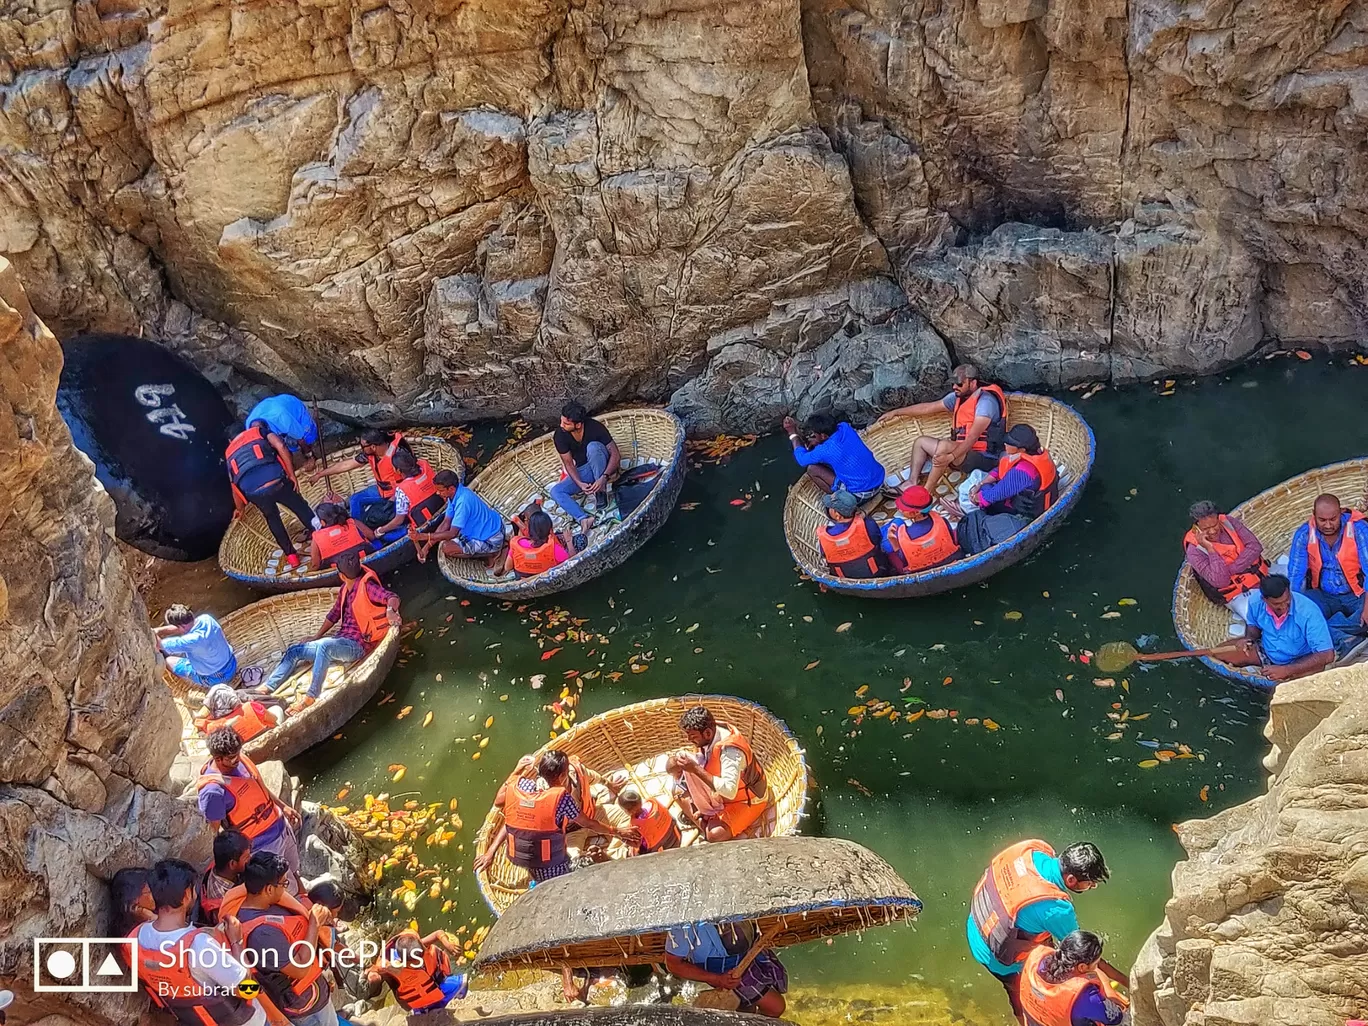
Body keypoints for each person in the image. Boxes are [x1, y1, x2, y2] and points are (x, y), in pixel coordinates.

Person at [966, 840, 1124, 1020]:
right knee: (1023, 996)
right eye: (1089, 883)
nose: (1092, 887)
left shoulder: (1033, 850)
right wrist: (1120, 983)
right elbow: (1083, 954)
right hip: (994, 956)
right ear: (1071, 880)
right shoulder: (1058, 909)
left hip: (977, 923)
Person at [258, 552, 401, 715]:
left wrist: (390, 610)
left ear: (341, 575)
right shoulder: (344, 590)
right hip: (340, 641)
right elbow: (333, 614)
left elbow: (392, 597)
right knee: (295, 650)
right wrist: (316, 636)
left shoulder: (367, 587)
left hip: (358, 645)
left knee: (325, 647)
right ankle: (267, 687)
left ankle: (311, 696)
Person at [129, 858, 267, 1026]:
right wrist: (236, 940)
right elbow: (246, 990)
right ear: (187, 895)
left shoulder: (135, 938)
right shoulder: (199, 945)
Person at [474, 750, 638, 881]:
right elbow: (514, 821)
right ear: (561, 775)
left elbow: (593, 777)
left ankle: (626, 851)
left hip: (593, 814)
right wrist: (490, 852)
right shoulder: (539, 794)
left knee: (626, 819)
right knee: (577, 860)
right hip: (572, 833)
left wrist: (610, 785)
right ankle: (612, 858)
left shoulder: (575, 771)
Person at [236, 851, 338, 1026]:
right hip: (305, 1007)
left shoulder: (265, 904)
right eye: (283, 883)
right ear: (268, 889)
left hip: (314, 988)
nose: (285, 888)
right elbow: (299, 969)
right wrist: (314, 923)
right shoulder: (263, 936)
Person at [876, 363, 1008, 496]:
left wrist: (950, 457)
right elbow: (928, 408)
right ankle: (911, 481)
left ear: (973, 383)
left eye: (959, 384)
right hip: (961, 454)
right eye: (953, 384)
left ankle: (925, 494)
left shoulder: (986, 402)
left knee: (944, 446)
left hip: (985, 458)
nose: (955, 387)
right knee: (921, 442)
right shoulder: (959, 397)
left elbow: (972, 437)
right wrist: (897, 412)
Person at [196, 727, 304, 885]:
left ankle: (302, 892)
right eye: (232, 757)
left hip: (281, 826)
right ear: (218, 759)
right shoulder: (213, 792)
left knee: (294, 870)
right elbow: (215, 834)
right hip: (262, 846)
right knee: (282, 886)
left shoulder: (241, 760)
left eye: (239, 752)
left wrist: (283, 806)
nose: (238, 759)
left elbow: (258, 788)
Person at [668, 705, 771, 842]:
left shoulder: (731, 753)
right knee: (676, 788)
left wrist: (694, 769)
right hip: (720, 795)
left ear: (708, 734)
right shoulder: (708, 734)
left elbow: (729, 791)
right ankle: (705, 816)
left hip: (747, 800)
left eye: (692, 736)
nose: (688, 739)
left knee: (714, 835)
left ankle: (703, 823)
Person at [226, 420, 317, 568]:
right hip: (276, 481)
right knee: (300, 506)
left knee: (272, 518)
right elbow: (281, 445)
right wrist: (291, 474)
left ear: (230, 440)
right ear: (245, 430)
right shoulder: (257, 432)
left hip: (254, 492)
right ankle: (320, 534)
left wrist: (240, 509)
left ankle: (291, 556)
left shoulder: (229, 453)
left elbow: (234, 485)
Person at [957, 424, 1058, 556]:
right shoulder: (1034, 454)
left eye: (1009, 443)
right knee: (983, 484)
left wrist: (975, 497)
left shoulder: (1025, 471)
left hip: (1025, 513)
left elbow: (994, 495)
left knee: (983, 494)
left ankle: (963, 511)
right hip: (1031, 497)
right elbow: (1000, 471)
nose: (1005, 444)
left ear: (1021, 449)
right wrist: (980, 483)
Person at [1287, 493, 1368, 652]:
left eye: (1333, 519)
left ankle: (1331, 630)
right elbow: (1295, 577)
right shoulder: (1304, 534)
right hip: (1323, 595)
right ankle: (1346, 638)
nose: (1329, 525)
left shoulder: (1358, 530)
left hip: (1358, 594)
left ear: (1341, 513)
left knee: (1314, 629)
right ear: (1314, 515)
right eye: (1322, 520)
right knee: (1299, 621)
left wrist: (1367, 609)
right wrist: (1294, 611)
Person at [664, 920, 788, 1018]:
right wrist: (717, 979)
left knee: (745, 1008)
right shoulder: (683, 924)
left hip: (749, 954)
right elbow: (673, 964)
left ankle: (744, 1014)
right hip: (726, 970)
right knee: (775, 1007)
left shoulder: (729, 896)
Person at [1235, 574, 1337, 683]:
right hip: (1266, 650)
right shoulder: (1255, 601)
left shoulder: (1308, 612)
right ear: (1264, 599)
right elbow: (1253, 626)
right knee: (1218, 657)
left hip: (1299, 662)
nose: (1283, 606)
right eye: (1277, 604)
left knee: (1284, 689)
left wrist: (1287, 670)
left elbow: (1327, 655)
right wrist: (1248, 639)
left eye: (1287, 601)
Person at [1019, 931, 1129, 1026]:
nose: (1096, 967)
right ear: (1082, 967)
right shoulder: (1085, 996)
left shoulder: (1036, 956)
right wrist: (1108, 993)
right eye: (1096, 963)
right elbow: (1116, 1018)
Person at [309, 429, 413, 529]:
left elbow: (410, 477)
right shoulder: (371, 454)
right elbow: (346, 465)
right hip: (382, 491)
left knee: (383, 517)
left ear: (373, 446)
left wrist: (394, 498)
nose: (362, 449)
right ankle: (357, 530)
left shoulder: (398, 454)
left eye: (363, 446)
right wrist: (320, 474)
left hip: (399, 494)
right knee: (355, 499)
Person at [1183, 500, 1269, 621]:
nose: (1212, 531)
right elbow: (1221, 581)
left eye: (1214, 525)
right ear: (1196, 528)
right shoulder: (1194, 550)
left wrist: (1230, 570)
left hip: (1262, 576)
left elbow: (1255, 547)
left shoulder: (1228, 522)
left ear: (1218, 518)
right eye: (1206, 528)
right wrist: (1210, 549)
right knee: (1260, 620)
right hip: (1238, 595)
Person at [550, 401, 621, 532]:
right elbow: (569, 463)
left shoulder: (595, 427)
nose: (561, 426)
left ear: (578, 424)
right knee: (556, 491)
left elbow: (615, 455)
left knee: (593, 447)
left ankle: (601, 491)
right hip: (584, 470)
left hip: (602, 465)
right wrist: (580, 483)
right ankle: (583, 518)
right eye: (561, 421)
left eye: (566, 424)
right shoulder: (560, 435)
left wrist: (604, 477)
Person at [781, 411, 885, 500]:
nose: (813, 437)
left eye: (814, 435)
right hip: (879, 480)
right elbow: (831, 445)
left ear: (823, 436)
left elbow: (801, 460)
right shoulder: (845, 427)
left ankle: (839, 500)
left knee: (812, 469)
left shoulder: (826, 449)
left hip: (862, 494)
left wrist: (793, 433)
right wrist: (816, 442)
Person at [410, 469, 505, 564]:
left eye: (440, 490)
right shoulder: (455, 495)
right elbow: (445, 523)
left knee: (447, 548)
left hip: (491, 539)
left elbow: (452, 534)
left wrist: (422, 536)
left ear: (451, 489)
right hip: (492, 528)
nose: (438, 493)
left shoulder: (463, 502)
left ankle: (492, 553)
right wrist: (427, 546)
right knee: (446, 537)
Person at [366, 928, 467, 1014]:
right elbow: (375, 969)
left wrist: (447, 944)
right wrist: (373, 976)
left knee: (463, 981)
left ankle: (455, 995)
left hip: (436, 985)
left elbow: (438, 933)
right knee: (426, 1011)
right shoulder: (394, 967)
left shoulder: (420, 945)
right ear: (403, 961)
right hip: (420, 1000)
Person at [815, 488, 894, 579]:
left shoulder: (824, 536)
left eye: (830, 508)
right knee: (896, 522)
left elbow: (824, 554)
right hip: (876, 573)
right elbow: (877, 540)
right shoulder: (867, 523)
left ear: (837, 515)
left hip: (844, 578)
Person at [156, 604, 238, 689]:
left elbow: (160, 644)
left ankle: (191, 683)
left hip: (216, 678)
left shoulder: (190, 641)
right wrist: (159, 630)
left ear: (182, 626)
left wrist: (154, 633)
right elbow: (184, 628)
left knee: (169, 661)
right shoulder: (207, 619)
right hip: (232, 664)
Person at [883, 484, 960, 573]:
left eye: (903, 509)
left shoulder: (903, 535)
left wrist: (894, 542)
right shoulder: (942, 521)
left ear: (914, 513)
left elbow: (904, 560)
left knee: (890, 553)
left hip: (921, 571)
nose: (899, 509)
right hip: (950, 561)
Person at [373, 449, 445, 540]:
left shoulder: (402, 489)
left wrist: (380, 530)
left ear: (398, 471)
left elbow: (398, 520)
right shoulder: (424, 464)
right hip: (441, 510)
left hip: (425, 525)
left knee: (387, 537)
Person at [243, 394, 320, 467]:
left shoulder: (282, 418)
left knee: (307, 437)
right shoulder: (250, 427)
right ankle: (289, 462)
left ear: (269, 429)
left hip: (294, 410)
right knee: (283, 447)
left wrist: (310, 456)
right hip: (274, 410)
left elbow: (301, 440)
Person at [194, 684, 283, 744]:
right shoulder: (251, 707)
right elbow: (274, 719)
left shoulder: (212, 727)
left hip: (245, 745)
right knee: (277, 709)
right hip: (266, 734)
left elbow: (200, 725)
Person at [199, 829, 252, 926]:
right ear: (232, 864)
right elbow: (227, 926)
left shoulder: (222, 866)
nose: (250, 859)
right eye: (246, 857)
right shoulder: (220, 899)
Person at [500, 508, 573, 578]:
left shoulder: (516, 543)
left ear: (530, 530)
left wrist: (529, 560)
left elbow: (507, 567)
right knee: (579, 540)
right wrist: (569, 541)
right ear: (550, 529)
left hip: (526, 580)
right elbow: (573, 563)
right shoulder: (555, 549)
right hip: (549, 579)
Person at [308, 503, 375, 573]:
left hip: (341, 571)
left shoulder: (316, 537)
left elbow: (315, 564)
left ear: (322, 522)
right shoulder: (352, 522)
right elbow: (371, 536)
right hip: (365, 561)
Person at [616, 785, 681, 854]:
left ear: (629, 811)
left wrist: (620, 837)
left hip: (660, 850)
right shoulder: (654, 804)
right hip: (675, 837)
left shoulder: (637, 825)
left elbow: (637, 843)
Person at [109, 867, 155, 935]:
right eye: (150, 891)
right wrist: (153, 918)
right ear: (134, 902)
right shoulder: (132, 937)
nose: (156, 893)